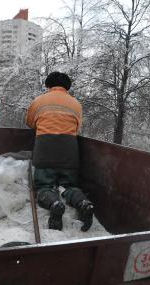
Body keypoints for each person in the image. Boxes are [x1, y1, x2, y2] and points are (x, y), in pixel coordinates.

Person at [26, 71, 94, 231]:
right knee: (68, 186)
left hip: (45, 149)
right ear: (67, 87)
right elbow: (77, 127)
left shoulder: (39, 101)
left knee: (43, 186)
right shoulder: (76, 104)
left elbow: (30, 123)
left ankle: (54, 203)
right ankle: (82, 202)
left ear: (48, 85)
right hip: (69, 150)